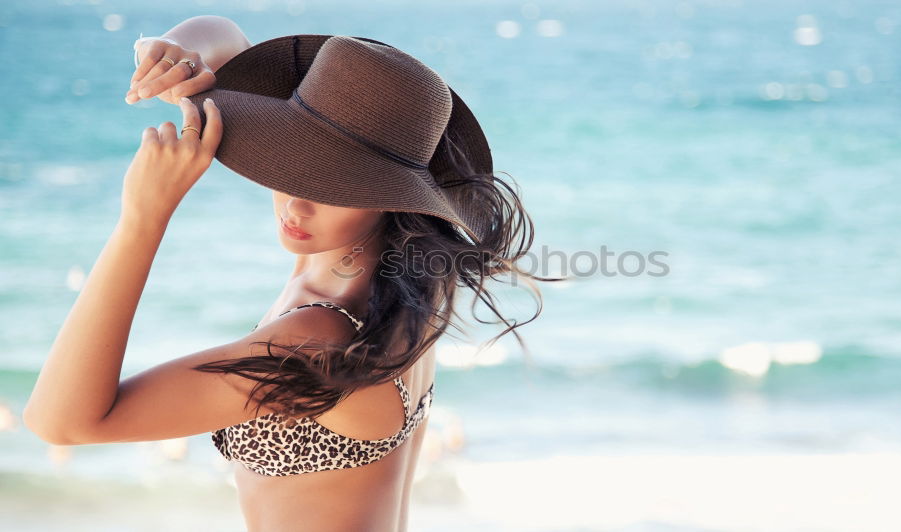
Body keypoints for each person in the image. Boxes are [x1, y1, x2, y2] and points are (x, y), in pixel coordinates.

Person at [23, 15, 559, 532]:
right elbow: (227, 40)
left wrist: (143, 219)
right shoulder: (404, 278)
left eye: (334, 186)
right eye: (295, 164)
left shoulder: (316, 339)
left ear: (393, 197)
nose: (296, 206)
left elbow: (62, 421)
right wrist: (168, 50)